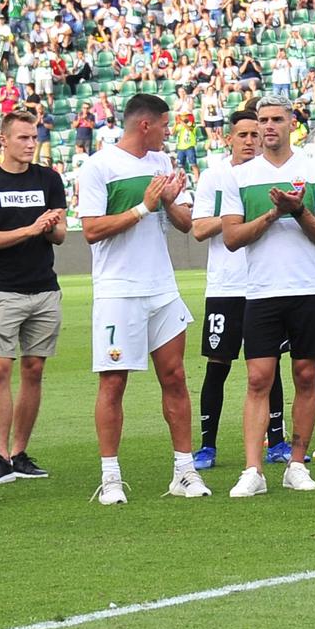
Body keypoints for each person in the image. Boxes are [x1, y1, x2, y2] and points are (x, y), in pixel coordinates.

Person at [75, 92, 206, 505]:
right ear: (144, 125)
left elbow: (186, 224)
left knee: (176, 378)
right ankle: (110, 477)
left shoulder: (165, 163)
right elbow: (92, 230)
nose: (170, 133)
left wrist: (167, 200)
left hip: (162, 288)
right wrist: (144, 208)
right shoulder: (99, 167)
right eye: (165, 125)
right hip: (119, 292)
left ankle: (184, 471)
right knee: (113, 383)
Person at [219, 95, 315, 496]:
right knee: (258, 379)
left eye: (276, 120)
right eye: (262, 120)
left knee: (305, 375)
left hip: (307, 288)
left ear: (292, 124)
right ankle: (253, 469)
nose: (268, 127)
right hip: (261, 292)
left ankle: (297, 464)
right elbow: (232, 238)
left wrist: (299, 210)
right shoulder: (240, 176)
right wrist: (272, 214)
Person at [190, 108, 290, 468]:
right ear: (229, 138)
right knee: (218, 365)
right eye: (243, 135)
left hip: (264, 286)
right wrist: (236, 218)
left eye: (255, 134)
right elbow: (198, 229)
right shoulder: (215, 177)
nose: (251, 141)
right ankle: (206, 446)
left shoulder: (270, 175)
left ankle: (277, 442)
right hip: (225, 286)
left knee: (270, 366)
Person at [0, 111, 66, 486]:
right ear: (4, 139)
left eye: (34, 138)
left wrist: (49, 228)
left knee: (34, 370)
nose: (31, 144)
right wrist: (31, 228)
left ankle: (19, 452)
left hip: (44, 288)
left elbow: (60, 235)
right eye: (24, 138)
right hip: (3, 288)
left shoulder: (49, 178)